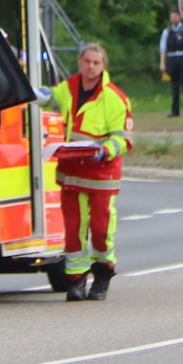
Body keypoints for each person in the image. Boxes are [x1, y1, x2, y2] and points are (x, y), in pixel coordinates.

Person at [50, 42, 133, 302]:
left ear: (103, 65)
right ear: (80, 62)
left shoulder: (114, 98)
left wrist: (106, 150)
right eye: (87, 61)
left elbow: (124, 139)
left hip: (101, 175)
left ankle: (102, 275)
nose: (91, 67)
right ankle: (75, 281)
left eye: (96, 63)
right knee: (73, 229)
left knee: (100, 229)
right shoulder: (68, 88)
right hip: (72, 173)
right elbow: (51, 101)